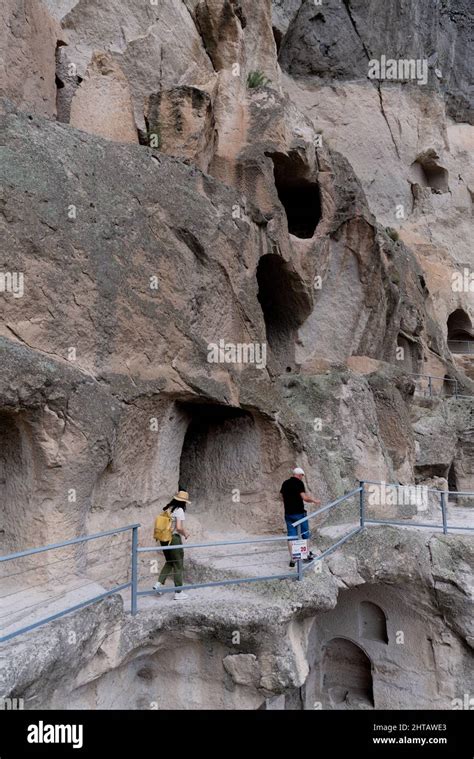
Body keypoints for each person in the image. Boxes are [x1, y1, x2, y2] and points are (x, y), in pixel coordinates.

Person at [153, 490, 191, 600]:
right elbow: (178, 528)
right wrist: (186, 534)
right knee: (178, 565)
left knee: (169, 562)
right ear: (184, 502)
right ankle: (178, 592)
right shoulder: (179, 510)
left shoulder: (168, 508)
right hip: (173, 539)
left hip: (164, 539)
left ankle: (158, 584)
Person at [280, 468, 321, 567]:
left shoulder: (285, 483)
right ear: (299, 475)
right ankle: (305, 555)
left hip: (288, 514)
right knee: (305, 534)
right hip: (299, 514)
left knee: (291, 536)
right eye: (302, 475)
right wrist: (314, 500)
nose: (302, 477)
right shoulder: (298, 483)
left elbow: (281, 496)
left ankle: (293, 559)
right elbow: (305, 498)